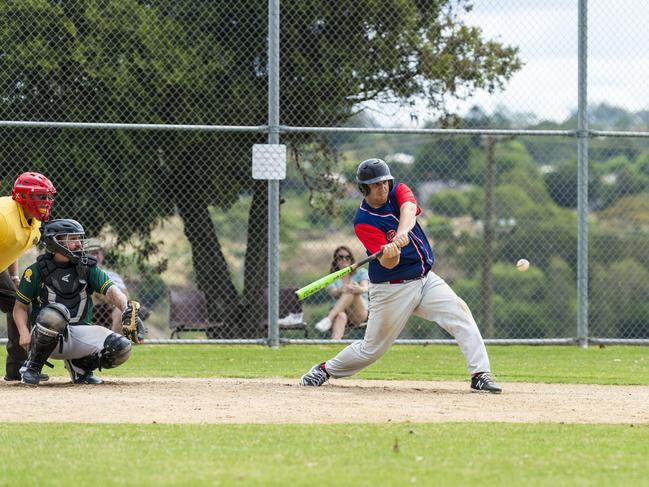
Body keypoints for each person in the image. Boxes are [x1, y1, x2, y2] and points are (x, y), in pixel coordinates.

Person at [300, 158, 502, 393]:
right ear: (364, 188)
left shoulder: (399, 190)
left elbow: (408, 210)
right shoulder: (364, 221)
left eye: (385, 182)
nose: (383, 187)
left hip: (425, 279)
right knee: (372, 349)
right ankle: (325, 370)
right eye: (376, 184)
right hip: (392, 287)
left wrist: (400, 234)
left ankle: (480, 374)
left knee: (460, 312)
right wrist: (390, 253)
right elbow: (389, 264)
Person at [13, 218, 143, 386]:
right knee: (56, 313)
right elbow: (20, 308)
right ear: (55, 242)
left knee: (121, 347)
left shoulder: (87, 267)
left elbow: (111, 290)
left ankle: (80, 367)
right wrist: (24, 332)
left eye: (79, 238)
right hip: (45, 337)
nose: (79, 244)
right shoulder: (35, 271)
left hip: (78, 333)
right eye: (72, 239)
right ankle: (32, 367)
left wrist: (126, 309)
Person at [1, 172, 56, 382]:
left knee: (21, 304)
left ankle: (18, 370)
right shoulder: (3, 216)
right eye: (41, 197)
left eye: (49, 197)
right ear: (23, 197)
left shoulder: (34, 222)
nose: (47, 202)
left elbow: (11, 247)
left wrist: (14, 277)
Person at [314, 246, 369, 339]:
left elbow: (365, 288)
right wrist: (341, 289)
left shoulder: (361, 272)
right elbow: (333, 292)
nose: (344, 259)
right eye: (340, 257)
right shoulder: (332, 277)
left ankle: (329, 319)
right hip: (341, 311)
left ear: (351, 259)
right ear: (336, 260)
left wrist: (357, 289)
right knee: (341, 316)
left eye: (348, 257)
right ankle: (334, 345)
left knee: (351, 290)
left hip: (358, 312)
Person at [86, 241, 129, 332]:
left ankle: (114, 337)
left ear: (102, 255)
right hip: (90, 305)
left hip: (110, 306)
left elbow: (124, 293)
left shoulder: (112, 274)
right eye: (92, 253)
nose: (95, 256)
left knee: (123, 307)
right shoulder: (80, 273)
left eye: (97, 253)